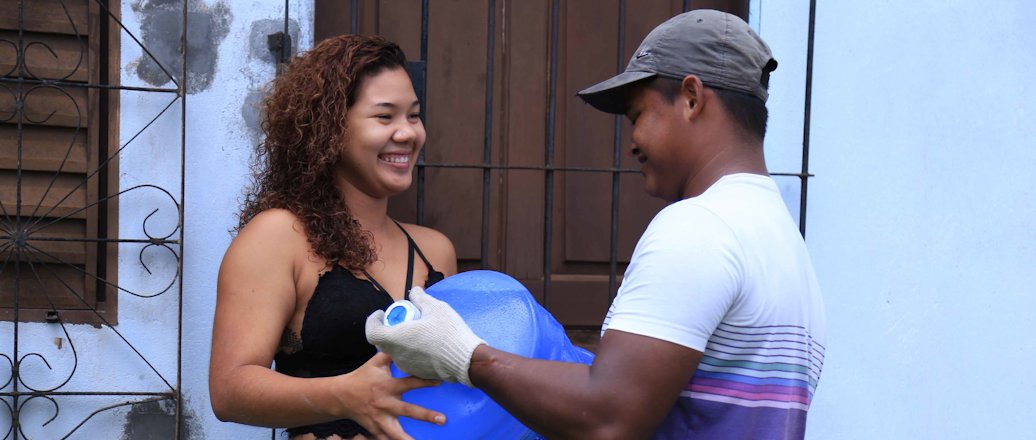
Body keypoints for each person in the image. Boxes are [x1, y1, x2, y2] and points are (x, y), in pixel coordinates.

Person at [366, 9, 826, 439]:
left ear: (690, 98)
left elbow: (610, 416)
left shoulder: (700, 229)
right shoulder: (783, 243)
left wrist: (465, 355)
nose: (632, 142)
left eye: (637, 116)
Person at [209, 35, 457, 440]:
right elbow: (229, 390)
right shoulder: (278, 237)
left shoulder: (435, 251)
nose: (408, 133)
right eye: (384, 116)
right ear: (330, 129)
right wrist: (347, 395)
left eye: (413, 115)